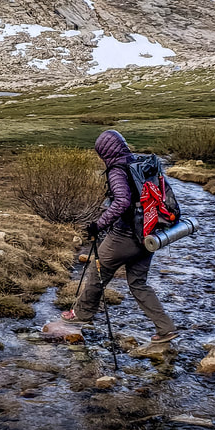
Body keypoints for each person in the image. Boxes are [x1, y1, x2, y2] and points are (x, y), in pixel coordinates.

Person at [61, 129, 178, 343]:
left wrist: (99, 224)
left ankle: (81, 315)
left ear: (105, 152)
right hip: (149, 233)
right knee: (138, 283)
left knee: (98, 271)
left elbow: (122, 201)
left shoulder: (117, 170)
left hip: (126, 234)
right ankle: (166, 329)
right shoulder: (140, 165)